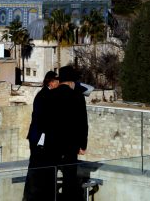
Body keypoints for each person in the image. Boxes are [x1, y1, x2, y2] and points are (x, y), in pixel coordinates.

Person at [50, 65, 88, 201]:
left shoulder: (51, 95)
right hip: (70, 145)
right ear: (72, 82)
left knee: (51, 175)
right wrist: (82, 145)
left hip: (53, 143)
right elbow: (82, 123)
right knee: (69, 178)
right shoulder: (77, 96)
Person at [23, 71, 60, 201]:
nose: (58, 83)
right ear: (51, 82)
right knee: (37, 168)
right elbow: (41, 118)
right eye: (56, 80)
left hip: (40, 138)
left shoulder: (45, 95)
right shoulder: (44, 96)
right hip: (40, 139)